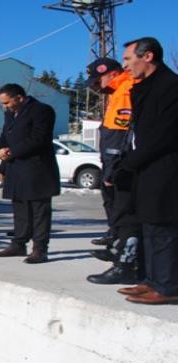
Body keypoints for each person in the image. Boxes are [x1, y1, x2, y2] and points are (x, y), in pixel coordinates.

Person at [114, 37, 178, 305]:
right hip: (147, 168)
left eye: (128, 59)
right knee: (149, 224)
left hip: (166, 167)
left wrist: (130, 162)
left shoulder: (170, 87)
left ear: (148, 56)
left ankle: (168, 286)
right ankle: (152, 279)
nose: (125, 65)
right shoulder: (145, 88)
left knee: (163, 226)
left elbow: (164, 135)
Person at [84, 57, 141, 285]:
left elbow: (120, 136)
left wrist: (112, 170)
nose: (97, 86)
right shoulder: (117, 92)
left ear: (110, 73)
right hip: (115, 162)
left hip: (120, 164)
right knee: (118, 212)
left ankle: (125, 265)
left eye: (98, 80)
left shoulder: (125, 89)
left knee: (126, 214)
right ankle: (119, 251)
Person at [0, 83, 59, 264]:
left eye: (6, 103)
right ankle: (18, 244)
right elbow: (4, 137)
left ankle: (40, 249)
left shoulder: (42, 111)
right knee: (20, 209)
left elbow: (39, 139)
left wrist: (11, 151)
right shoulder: (10, 115)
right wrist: (3, 160)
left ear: (19, 98)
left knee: (39, 211)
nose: (4, 107)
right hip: (15, 169)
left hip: (37, 169)